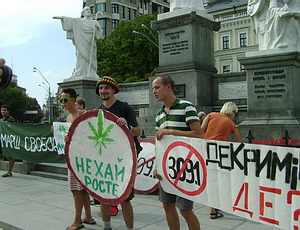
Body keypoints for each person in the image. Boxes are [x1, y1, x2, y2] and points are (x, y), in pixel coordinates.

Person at [152, 74, 202, 230]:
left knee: (185, 209)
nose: (154, 91)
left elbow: (198, 134)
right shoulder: (159, 115)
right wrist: (156, 166)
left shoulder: (186, 106)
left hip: (185, 166)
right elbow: (158, 144)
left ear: (168, 87)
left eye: (157, 87)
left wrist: (171, 131)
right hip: (166, 167)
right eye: (153, 88)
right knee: (167, 205)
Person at [95, 76, 141, 230]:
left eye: (106, 88)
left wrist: (126, 125)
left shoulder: (124, 108)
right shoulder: (98, 111)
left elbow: (138, 131)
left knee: (126, 198)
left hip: (123, 159)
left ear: (114, 90)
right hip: (105, 158)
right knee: (104, 196)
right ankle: (106, 227)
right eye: (101, 88)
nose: (103, 91)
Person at [201, 101, 242, 219]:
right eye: (236, 113)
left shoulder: (211, 115)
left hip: (206, 149)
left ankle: (214, 207)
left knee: (211, 178)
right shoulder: (231, 123)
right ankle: (213, 210)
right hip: (219, 153)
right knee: (217, 180)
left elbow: (201, 130)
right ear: (233, 111)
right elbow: (239, 142)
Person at [61, 88, 95, 230]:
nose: (63, 103)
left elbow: (90, 135)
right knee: (82, 190)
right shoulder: (68, 118)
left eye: (65, 100)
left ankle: (77, 221)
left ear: (73, 100)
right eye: (61, 100)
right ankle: (88, 216)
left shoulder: (83, 115)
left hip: (81, 158)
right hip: (73, 157)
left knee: (76, 190)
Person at [53, 6, 103, 80]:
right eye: (86, 10)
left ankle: (92, 73)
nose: (88, 11)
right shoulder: (79, 21)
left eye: (89, 10)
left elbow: (98, 36)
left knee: (92, 57)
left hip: (91, 44)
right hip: (81, 43)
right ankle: (79, 72)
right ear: (83, 13)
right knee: (81, 57)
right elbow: (71, 21)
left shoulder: (94, 22)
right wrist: (62, 18)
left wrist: (98, 27)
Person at [1, 105, 16, 177]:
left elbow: (12, 128)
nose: (3, 111)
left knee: (11, 155)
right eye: (2, 110)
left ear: (8, 111)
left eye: (5, 110)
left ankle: (9, 171)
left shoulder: (11, 119)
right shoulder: (1, 120)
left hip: (9, 140)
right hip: (2, 139)